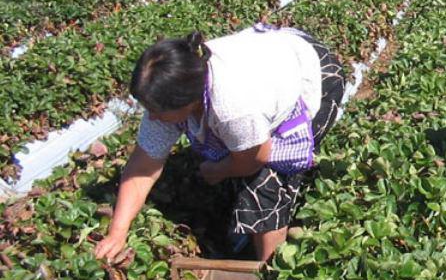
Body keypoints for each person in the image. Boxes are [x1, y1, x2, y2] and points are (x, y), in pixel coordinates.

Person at [93, 25, 345, 262]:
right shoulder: (169, 91)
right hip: (273, 65)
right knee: (232, 157)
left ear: (188, 103)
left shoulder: (233, 108)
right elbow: (142, 168)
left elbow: (254, 159)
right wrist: (117, 232)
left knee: (266, 182)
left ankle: (273, 275)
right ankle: (241, 232)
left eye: (157, 111)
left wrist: (218, 170)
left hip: (313, 73)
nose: (152, 117)